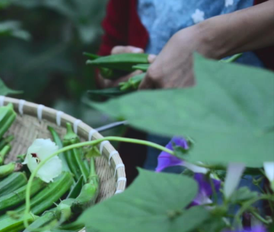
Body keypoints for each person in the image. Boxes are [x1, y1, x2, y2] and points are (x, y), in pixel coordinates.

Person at [96, 0, 274, 177]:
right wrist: (117, 78)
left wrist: (207, 38)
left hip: (256, 149)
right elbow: (106, 56)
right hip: (158, 152)